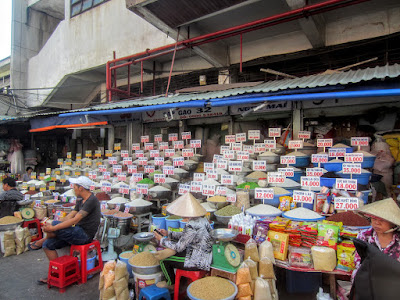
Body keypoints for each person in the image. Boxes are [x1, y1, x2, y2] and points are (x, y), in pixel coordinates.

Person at [30, 176, 101, 285]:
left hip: (84, 235)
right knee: (48, 245)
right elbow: (70, 216)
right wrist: (54, 222)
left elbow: (76, 219)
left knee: (53, 226)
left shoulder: (92, 200)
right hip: (75, 231)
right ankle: (57, 272)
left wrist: (53, 227)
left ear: (81, 188)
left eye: (75, 186)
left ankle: (42, 240)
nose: (73, 188)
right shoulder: (80, 199)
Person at [154, 193, 214, 289]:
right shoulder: (203, 220)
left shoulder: (191, 225)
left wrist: (162, 240)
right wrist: (168, 233)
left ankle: (171, 283)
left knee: (164, 260)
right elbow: (186, 236)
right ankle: (179, 280)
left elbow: (178, 247)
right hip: (205, 255)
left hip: (198, 260)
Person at [352, 198, 400, 283]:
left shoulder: (398, 240)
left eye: (381, 220)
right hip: (367, 280)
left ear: (392, 223)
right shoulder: (364, 236)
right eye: (374, 219)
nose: (377, 223)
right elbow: (358, 261)